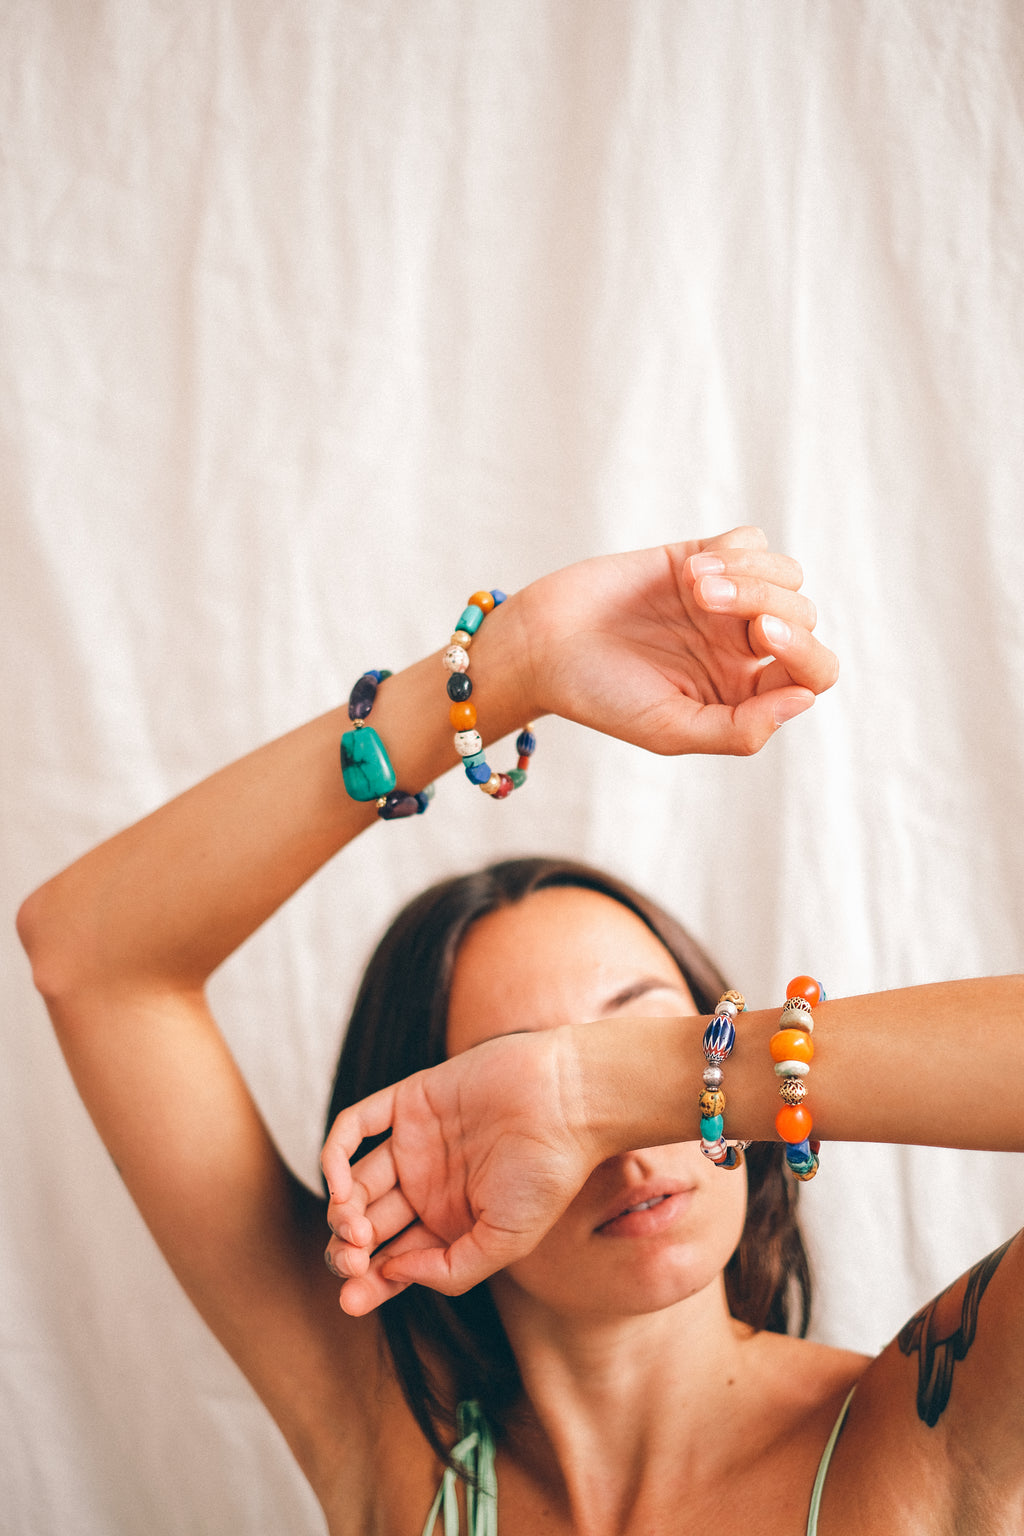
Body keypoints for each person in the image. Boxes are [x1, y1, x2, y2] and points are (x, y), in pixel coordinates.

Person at [16, 528, 1022, 1535]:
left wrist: (592, 1090)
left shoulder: (927, 1434)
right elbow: (93, 956)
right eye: (509, 1079)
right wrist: (508, 664)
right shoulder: (390, 1447)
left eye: (647, 1043)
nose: (621, 1147)